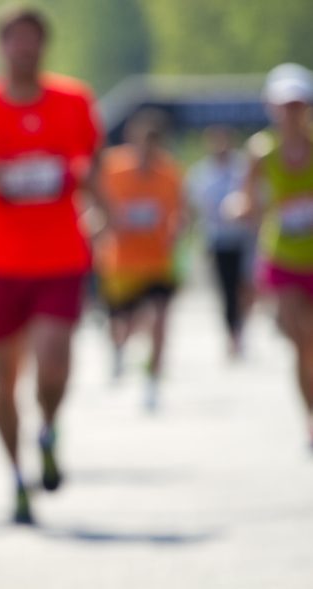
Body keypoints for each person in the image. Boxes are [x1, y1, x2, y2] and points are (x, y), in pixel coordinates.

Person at [0, 5, 105, 524]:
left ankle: (49, 428)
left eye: (32, 40)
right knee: (4, 380)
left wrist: (108, 215)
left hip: (60, 255)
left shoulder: (74, 101)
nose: (23, 49)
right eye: (14, 40)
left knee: (53, 364)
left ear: (43, 47)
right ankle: (16, 476)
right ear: (0, 47)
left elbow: (93, 166)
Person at [231, 63, 313, 449]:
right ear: (272, 107)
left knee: (310, 343)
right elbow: (247, 199)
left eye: (298, 104)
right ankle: (310, 419)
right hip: (282, 256)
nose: (291, 113)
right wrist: (241, 209)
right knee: (301, 342)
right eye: (284, 105)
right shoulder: (262, 152)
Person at [96, 109, 185, 409]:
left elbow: (179, 211)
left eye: (154, 143)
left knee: (160, 320)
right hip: (121, 261)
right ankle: (119, 350)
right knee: (125, 323)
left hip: (158, 260)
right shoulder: (113, 168)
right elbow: (96, 201)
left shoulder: (170, 173)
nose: (148, 150)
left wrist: (177, 228)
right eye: (142, 142)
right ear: (131, 140)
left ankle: (152, 381)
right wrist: (100, 222)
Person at [187, 126, 256, 359]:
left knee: (246, 287)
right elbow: (194, 208)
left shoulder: (243, 167)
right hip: (217, 239)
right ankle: (232, 333)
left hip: (245, 237)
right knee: (226, 289)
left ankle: (242, 324)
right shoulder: (201, 174)